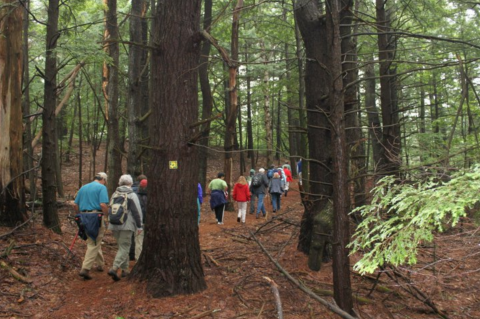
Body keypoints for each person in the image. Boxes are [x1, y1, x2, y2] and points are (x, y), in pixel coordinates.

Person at [107, 174, 143, 281]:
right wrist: (139, 226)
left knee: (122, 246)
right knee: (124, 247)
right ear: (130, 183)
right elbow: (137, 212)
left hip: (114, 224)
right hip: (126, 225)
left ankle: (125, 270)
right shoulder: (131, 195)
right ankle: (114, 267)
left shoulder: (115, 194)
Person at [74, 172, 109, 280]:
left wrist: (79, 214)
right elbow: (103, 204)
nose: (105, 183)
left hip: (84, 216)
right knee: (94, 242)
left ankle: (100, 264)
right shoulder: (101, 188)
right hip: (96, 217)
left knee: (92, 240)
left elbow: (75, 204)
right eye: (105, 181)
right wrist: (107, 216)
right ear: (103, 179)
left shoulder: (83, 188)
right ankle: (85, 268)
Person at [129, 174, 146, 261]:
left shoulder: (130, 190)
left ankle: (131, 254)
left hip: (131, 218)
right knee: (139, 238)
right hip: (141, 217)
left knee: (132, 236)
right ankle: (138, 257)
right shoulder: (144, 191)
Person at [135, 178, 147, 260]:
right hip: (146, 221)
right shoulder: (154, 196)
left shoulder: (135, 195)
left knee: (139, 240)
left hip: (138, 221)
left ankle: (138, 259)